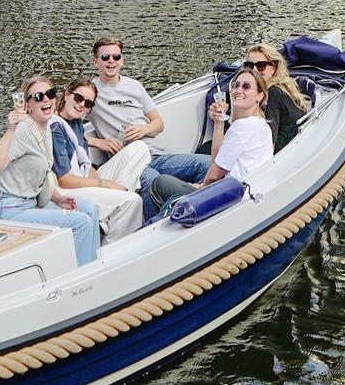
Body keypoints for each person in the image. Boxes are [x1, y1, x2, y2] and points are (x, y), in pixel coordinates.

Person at [0, 75, 95, 266]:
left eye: (50, 94)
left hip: (31, 204)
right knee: (81, 223)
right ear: (27, 105)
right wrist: (11, 129)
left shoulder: (45, 129)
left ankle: (92, 264)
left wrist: (58, 198)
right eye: (38, 97)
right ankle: (79, 274)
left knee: (88, 208)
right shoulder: (22, 130)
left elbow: (40, 176)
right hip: (9, 210)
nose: (46, 99)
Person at [144, 69, 277, 220]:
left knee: (160, 183)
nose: (238, 90)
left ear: (260, 96)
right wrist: (219, 123)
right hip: (239, 193)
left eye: (246, 86)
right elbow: (217, 159)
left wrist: (200, 187)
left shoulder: (242, 127)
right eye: (236, 85)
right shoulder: (261, 125)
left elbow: (214, 175)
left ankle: (155, 224)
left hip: (228, 201)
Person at [52, 79, 143, 239]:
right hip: (69, 189)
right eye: (78, 98)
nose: (81, 105)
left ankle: (110, 211)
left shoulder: (76, 122)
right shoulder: (55, 128)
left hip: (83, 178)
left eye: (88, 104)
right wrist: (105, 184)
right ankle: (110, 246)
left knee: (139, 149)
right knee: (133, 201)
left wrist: (104, 184)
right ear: (66, 94)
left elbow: (85, 164)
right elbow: (64, 180)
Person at [82, 35, 162, 185]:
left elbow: (159, 123)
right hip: (129, 161)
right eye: (105, 57)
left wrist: (143, 130)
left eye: (116, 56)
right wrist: (99, 142)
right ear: (95, 62)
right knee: (155, 180)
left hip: (157, 154)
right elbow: (65, 125)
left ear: (122, 60)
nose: (111, 61)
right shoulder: (90, 92)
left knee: (203, 164)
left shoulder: (134, 85)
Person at [242, 42, 307, 149]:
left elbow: (268, 141)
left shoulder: (272, 94)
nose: (254, 70)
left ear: (274, 68)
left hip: (282, 153)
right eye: (249, 66)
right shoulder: (283, 87)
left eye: (261, 66)